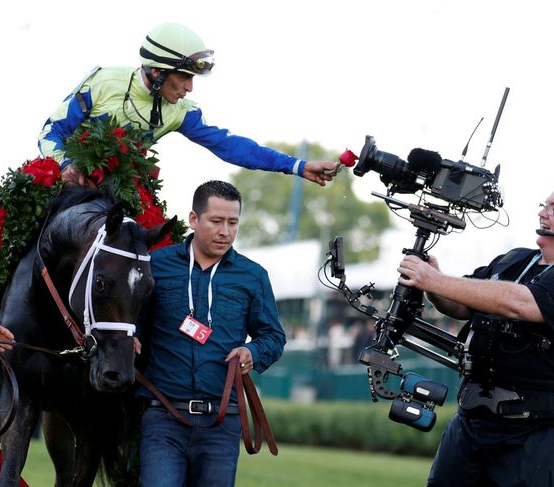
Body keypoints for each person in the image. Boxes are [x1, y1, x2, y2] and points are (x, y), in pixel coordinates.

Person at [396, 176, 554, 487]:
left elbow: (519, 303)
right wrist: (432, 278)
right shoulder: (516, 260)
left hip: (541, 433)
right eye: (544, 205)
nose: (543, 213)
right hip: (475, 421)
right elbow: (460, 305)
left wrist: (433, 280)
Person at [39, 22, 338, 188]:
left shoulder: (181, 112)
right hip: (66, 182)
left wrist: (297, 166)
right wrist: (67, 165)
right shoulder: (104, 82)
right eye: (183, 78)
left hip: (118, 191)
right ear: (157, 72)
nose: (189, 89)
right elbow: (50, 132)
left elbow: (231, 146)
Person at [137, 180, 286, 486]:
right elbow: (131, 319)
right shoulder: (156, 265)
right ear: (194, 219)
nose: (225, 231)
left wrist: (252, 353)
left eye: (233, 222)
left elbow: (273, 336)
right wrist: (132, 338)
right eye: (216, 221)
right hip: (163, 417)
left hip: (223, 420)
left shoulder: (252, 276)